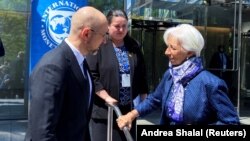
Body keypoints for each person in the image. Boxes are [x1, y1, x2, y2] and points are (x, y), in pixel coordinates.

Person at [117, 24, 240, 127]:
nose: (166, 52)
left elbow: (231, 122)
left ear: (189, 52)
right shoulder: (170, 75)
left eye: (173, 48)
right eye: (167, 46)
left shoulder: (211, 83)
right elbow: (154, 100)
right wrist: (131, 115)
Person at [24, 6, 108, 141]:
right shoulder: (52, 67)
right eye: (103, 35)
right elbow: (42, 134)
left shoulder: (81, 62)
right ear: (86, 34)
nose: (104, 41)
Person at [86, 9, 148, 141]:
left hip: (127, 111)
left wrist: (144, 101)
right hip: (104, 111)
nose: (121, 30)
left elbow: (141, 74)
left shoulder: (133, 45)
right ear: (108, 26)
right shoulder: (99, 44)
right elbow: (92, 74)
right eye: (117, 26)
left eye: (124, 26)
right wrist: (106, 97)